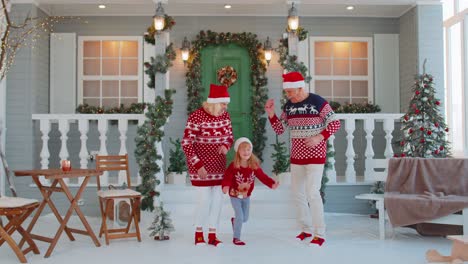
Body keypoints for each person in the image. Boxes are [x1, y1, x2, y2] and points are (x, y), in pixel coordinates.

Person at [264, 71, 341, 246]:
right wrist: (271, 113)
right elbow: (280, 129)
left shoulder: (318, 102)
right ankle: (306, 229)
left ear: (300, 88)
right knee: (297, 194)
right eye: (287, 92)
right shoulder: (289, 106)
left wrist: (319, 137)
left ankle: (320, 233)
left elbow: (335, 123)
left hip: (316, 155)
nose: (288, 95)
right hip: (297, 156)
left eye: (290, 92)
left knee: (312, 193)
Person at [182, 84, 234, 247]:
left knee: (218, 200)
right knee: (204, 200)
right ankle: (199, 233)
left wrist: (226, 145)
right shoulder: (196, 116)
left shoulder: (225, 116)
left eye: (226, 104)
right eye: (223, 104)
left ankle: (213, 233)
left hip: (219, 165)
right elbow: (186, 143)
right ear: (214, 103)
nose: (225, 107)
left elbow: (230, 136)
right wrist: (198, 165)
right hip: (201, 166)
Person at [221, 137, 279, 246]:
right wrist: (225, 186)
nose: (246, 152)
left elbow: (262, 177)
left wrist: (271, 184)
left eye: (248, 149)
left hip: (246, 196)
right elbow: (227, 177)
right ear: (238, 151)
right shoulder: (233, 166)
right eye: (243, 150)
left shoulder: (254, 166)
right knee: (240, 216)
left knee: (245, 218)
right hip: (234, 195)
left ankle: (235, 221)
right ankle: (236, 238)